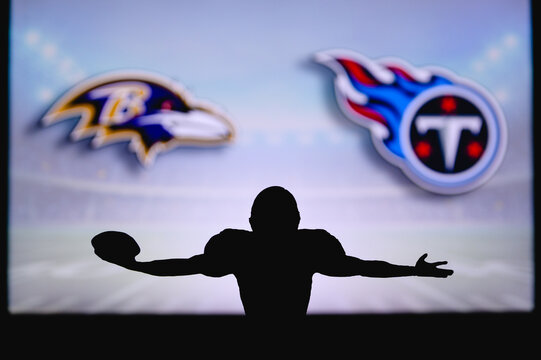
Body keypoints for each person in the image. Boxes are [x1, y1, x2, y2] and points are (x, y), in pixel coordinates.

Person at [93, 186, 453, 317]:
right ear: (297, 219)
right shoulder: (309, 246)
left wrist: (135, 265)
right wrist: (413, 270)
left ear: (251, 221)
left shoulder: (237, 247)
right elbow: (362, 267)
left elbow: (183, 266)